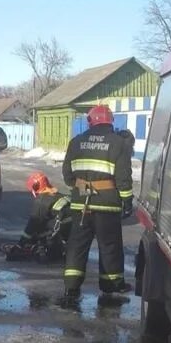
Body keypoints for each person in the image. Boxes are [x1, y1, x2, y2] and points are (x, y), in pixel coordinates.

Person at [61, 104, 134, 301]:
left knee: (76, 246)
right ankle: (111, 286)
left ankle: (71, 288)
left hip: (80, 204)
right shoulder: (118, 143)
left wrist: (81, 186)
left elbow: (67, 176)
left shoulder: (76, 142)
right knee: (109, 246)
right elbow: (123, 177)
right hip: (107, 206)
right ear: (110, 121)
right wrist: (127, 200)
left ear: (90, 121)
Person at [4, 172, 72, 262]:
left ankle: (53, 251)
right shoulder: (59, 195)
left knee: (40, 230)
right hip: (73, 228)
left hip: (61, 228)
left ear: (35, 188)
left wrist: (20, 245)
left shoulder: (41, 200)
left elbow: (33, 224)